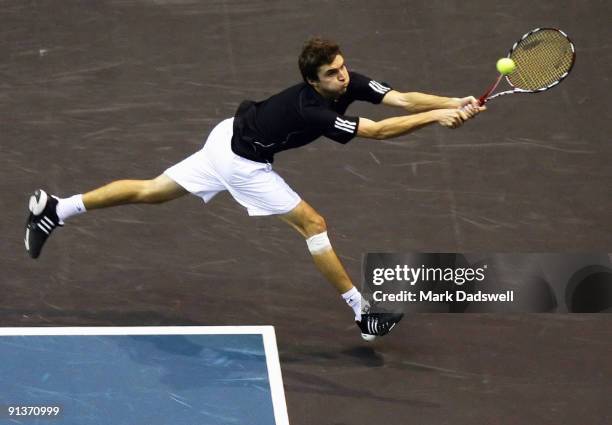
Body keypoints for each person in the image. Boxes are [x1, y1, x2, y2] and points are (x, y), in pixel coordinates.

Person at [24, 37, 485, 340]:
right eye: (332, 74)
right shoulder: (311, 109)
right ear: (312, 81)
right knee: (313, 224)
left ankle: (57, 209)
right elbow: (378, 132)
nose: (343, 77)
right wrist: (435, 120)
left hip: (228, 135)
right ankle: (363, 312)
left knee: (151, 191)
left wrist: (452, 101)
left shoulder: (349, 81)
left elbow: (400, 98)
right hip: (242, 163)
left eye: (343, 69)